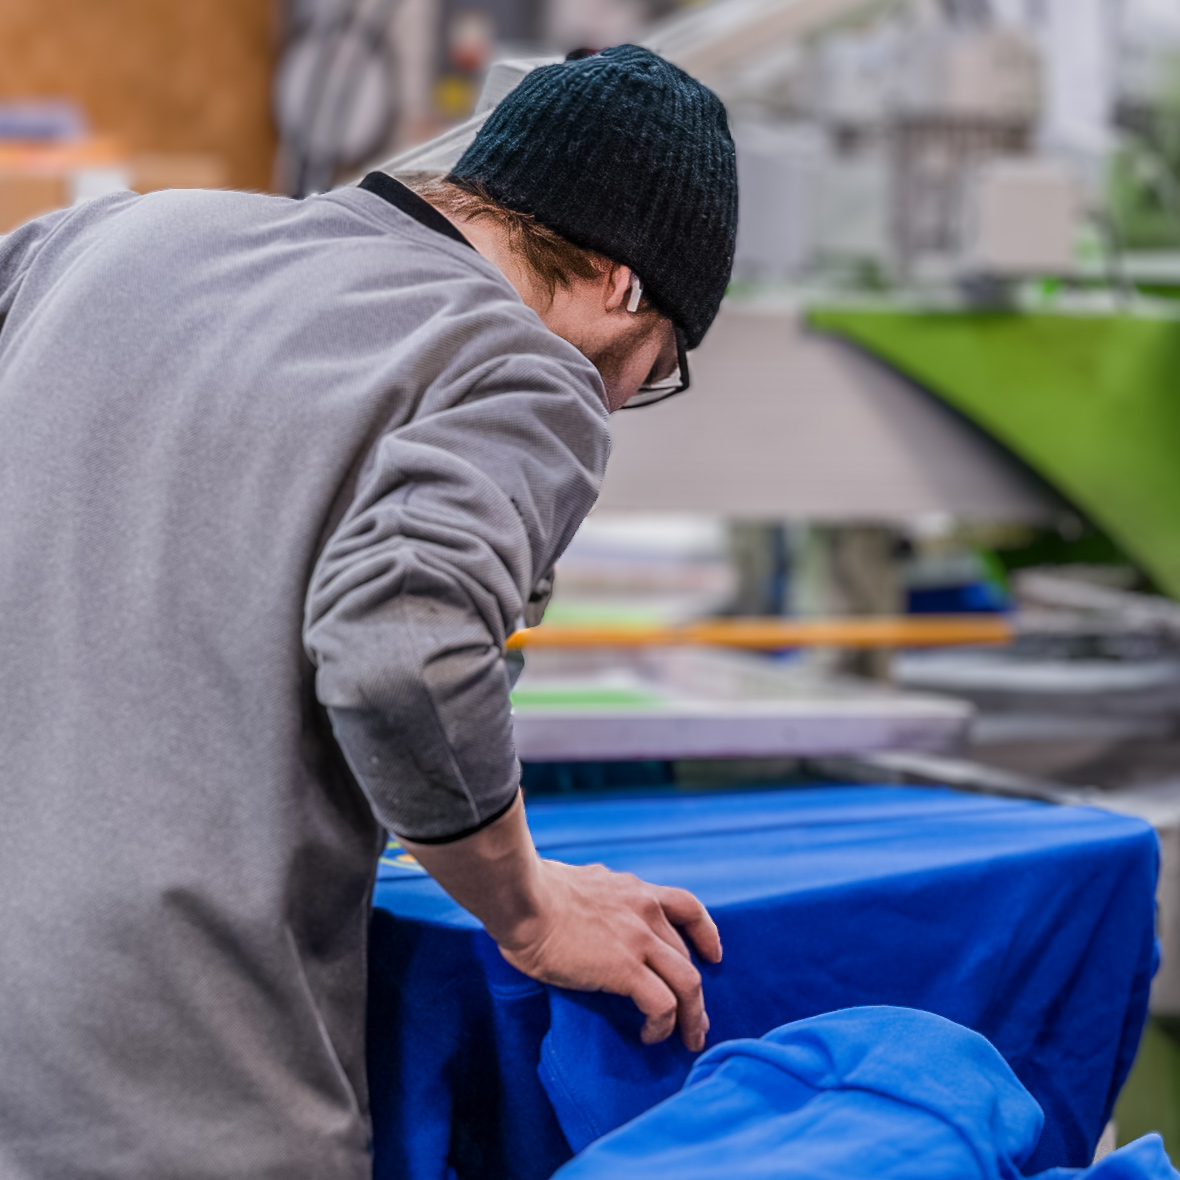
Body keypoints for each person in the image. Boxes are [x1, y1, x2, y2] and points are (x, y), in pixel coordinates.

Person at [0, 45, 737, 1180]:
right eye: (656, 364)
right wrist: (528, 904)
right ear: (621, 284)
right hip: (160, 1091)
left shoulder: (104, 239)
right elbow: (402, 648)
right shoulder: (517, 366)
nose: (626, 394)